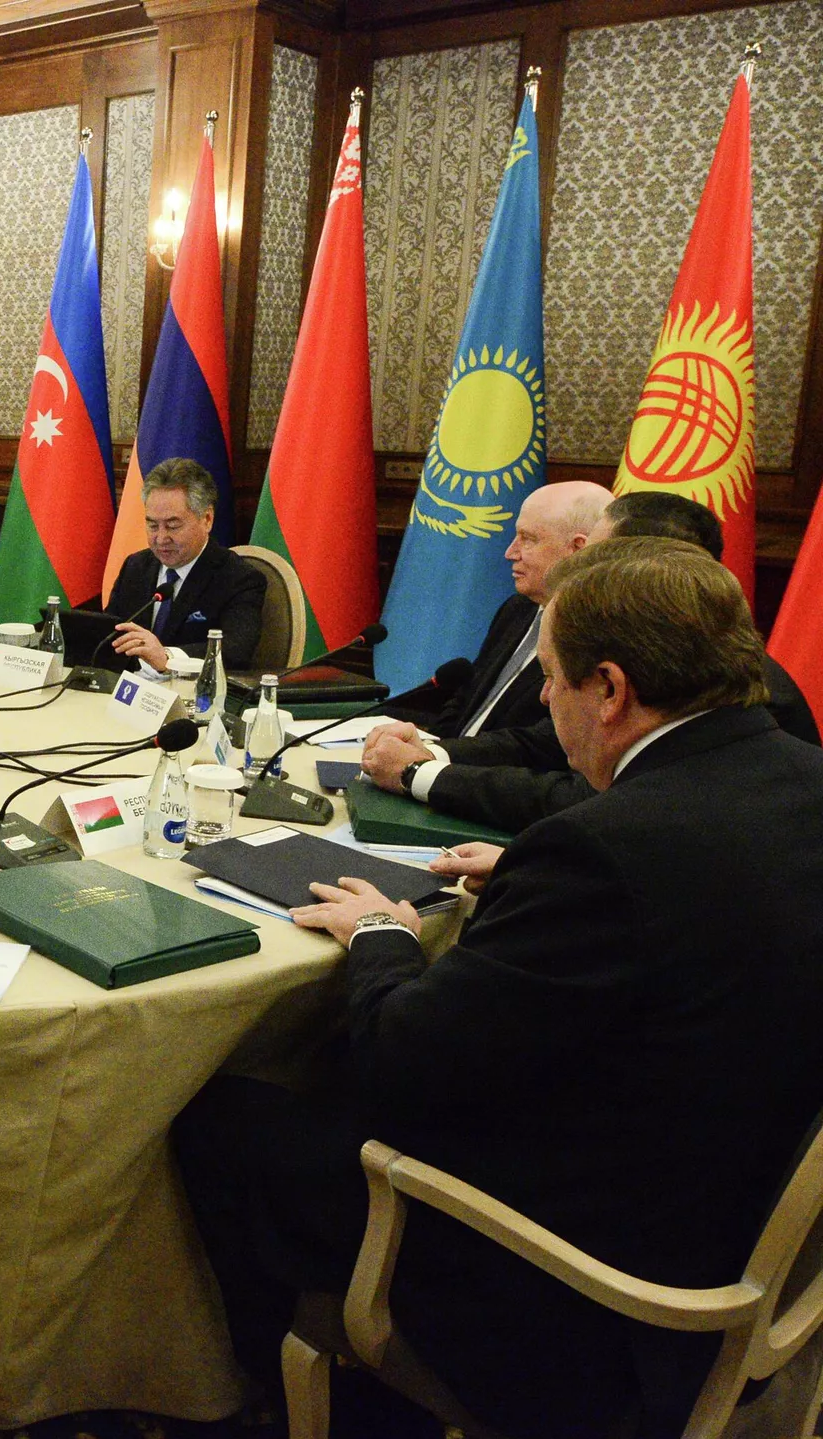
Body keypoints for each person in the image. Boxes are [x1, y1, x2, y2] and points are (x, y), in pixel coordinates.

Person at [172, 537, 823, 1439]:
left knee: (224, 1112)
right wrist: (526, 879)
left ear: (611, 688)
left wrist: (381, 933)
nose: (545, 701)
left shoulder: (601, 850)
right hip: (737, 1217)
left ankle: (303, 1409)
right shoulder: (797, 778)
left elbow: (401, 1065)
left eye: (550, 679)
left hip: (589, 1298)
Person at [360, 489, 817, 831]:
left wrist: (419, 773)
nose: (581, 569)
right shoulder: (645, 651)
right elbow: (543, 743)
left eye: (597, 557)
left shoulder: (733, 690)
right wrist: (430, 754)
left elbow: (598, 805)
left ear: (642, 569)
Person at [381, 480, 611, 738]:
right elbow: (465, 696)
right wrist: (432, 746)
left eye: (528, 539)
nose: (510, 552)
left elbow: (544, 742)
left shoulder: (593, 636)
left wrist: (443, 754)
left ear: (577, 549)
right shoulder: (518, 609)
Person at [103, 457, 266, 672]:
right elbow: (108, 633)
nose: (161, 538)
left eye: (173, 526)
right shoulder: (136, 567)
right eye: (153, 525)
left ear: (207, 519)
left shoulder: (239, 579)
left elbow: (235, 652)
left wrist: (168, 657)